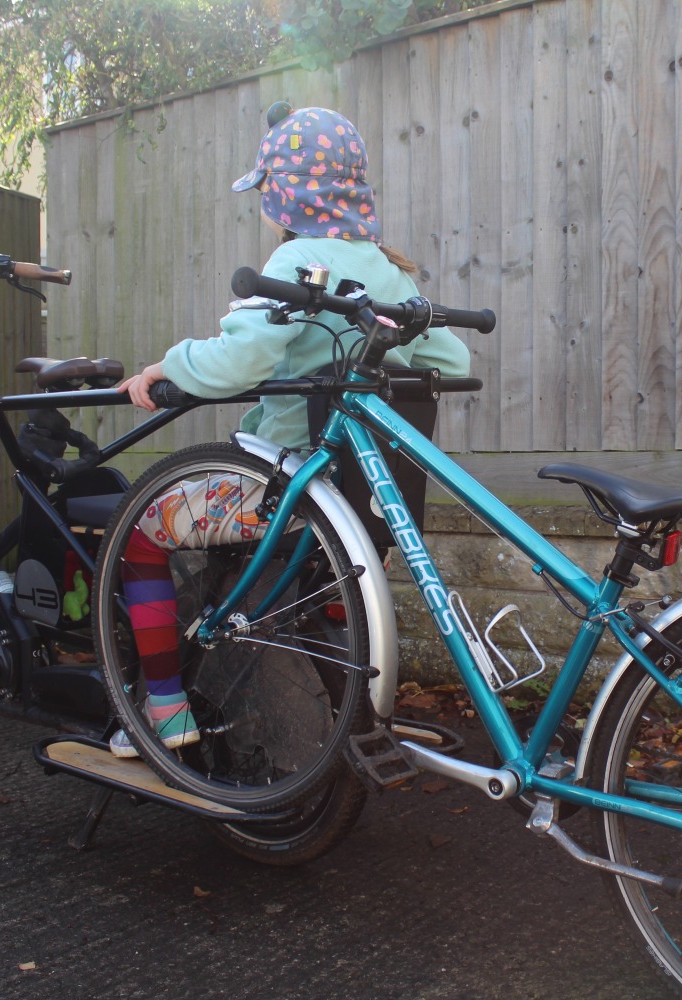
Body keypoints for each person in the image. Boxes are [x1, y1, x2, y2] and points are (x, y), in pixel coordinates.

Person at [109, 104, 471, 757]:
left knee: (139, 531)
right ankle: (349, 704)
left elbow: (237, 360)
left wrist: (169, 367)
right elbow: (450, 361)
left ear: (283, 198)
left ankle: (162, 706)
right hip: (359, 499)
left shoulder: (299, 261)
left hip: (286, 490)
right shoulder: (388, 270)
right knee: (332, 563)